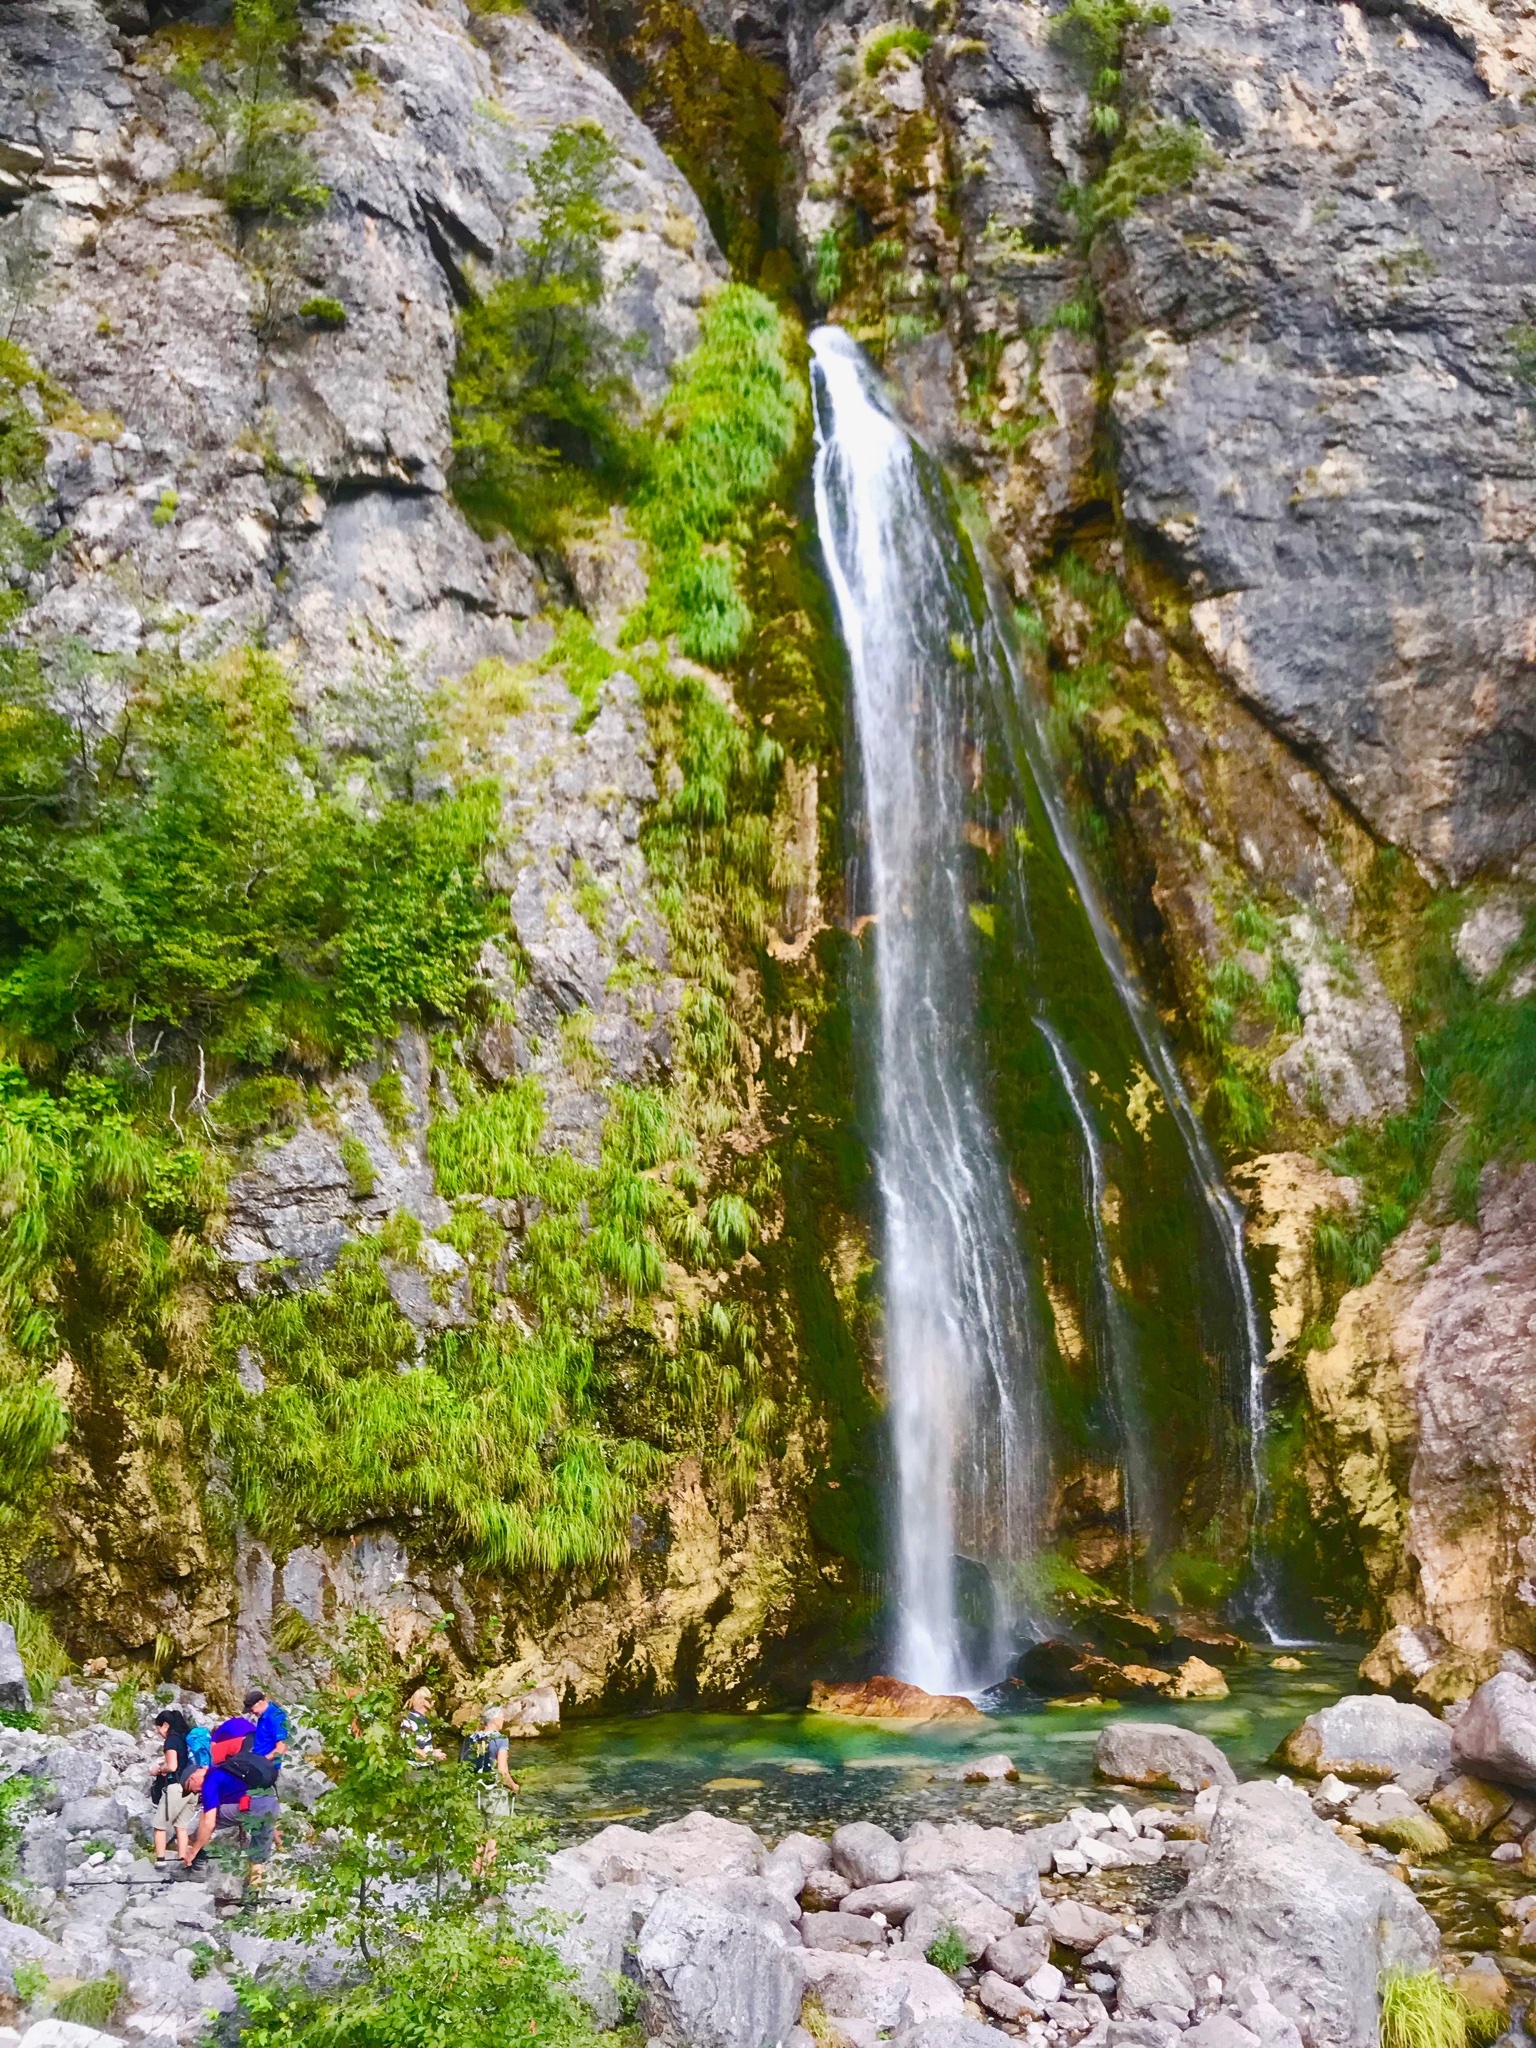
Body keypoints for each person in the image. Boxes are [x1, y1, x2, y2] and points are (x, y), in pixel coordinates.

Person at [461, 1703, 519, 1876]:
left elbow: (464, 1766)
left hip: (473, 1792)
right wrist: (513, 1786)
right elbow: (502, 1771)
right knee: (494, 1837)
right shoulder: (500, 1739)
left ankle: (474, 1882)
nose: (503, 1720)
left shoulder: (470, 1739)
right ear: (494, 1720)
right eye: (501, 1716)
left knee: (477, 1839)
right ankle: (491, 1881)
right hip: (494, 1793)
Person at [149, 1709, 195, 1866]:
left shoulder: (171, 1740)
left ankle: (160, 1861)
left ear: (166, 1725)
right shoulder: (185, 1738)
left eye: (159, 1728)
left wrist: (158, 1770)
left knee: (159, 1825)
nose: (159, 1732)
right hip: (192, 1787)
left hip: (177, 1787)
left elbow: (173, 1766)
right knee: (181, 1826)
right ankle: (183, 1860)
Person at [400, 1684, 445, 1767]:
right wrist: (434, 1755)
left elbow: (421, 1746)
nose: (434, 1702)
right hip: (417, 1769)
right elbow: (414, 1750)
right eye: (431, 1699)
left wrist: (433, 1751)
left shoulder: (412, 1717)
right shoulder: (417, 1721)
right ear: (423, 1702)